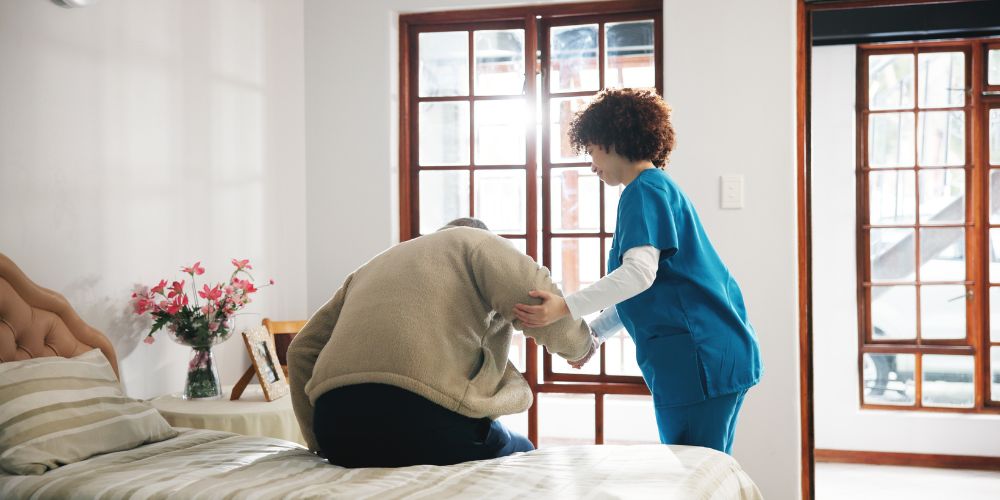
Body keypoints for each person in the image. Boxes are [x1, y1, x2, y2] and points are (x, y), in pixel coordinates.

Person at [513, 89, 762, 455]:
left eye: (592, 149)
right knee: (710, 472)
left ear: (614, 141)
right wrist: (594, 335)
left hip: (698, 361)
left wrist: (564, 307)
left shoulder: (642, 192)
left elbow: (637, 276)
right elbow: (645, 287)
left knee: (697, 478)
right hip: (718, 353)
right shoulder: (657, 188)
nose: (591, 163)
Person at [288, 218, 597, 468]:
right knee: (525, 450)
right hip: (426, 423)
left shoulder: (372, 266)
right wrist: (582, 345)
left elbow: (301, 350)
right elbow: (534, 295)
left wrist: (319, 443)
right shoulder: (477, 243)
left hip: (337, 432)